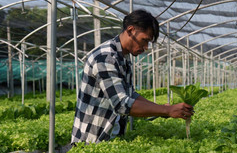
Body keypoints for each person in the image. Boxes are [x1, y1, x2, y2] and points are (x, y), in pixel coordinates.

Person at [71, 9, 194, 144]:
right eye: (144, 40)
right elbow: (121, 104)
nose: (146, 47)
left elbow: (130, 95)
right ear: (130, 30)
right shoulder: (106, 58)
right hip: (92, 140)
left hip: (110, 137)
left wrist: (160, 109)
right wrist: (166, 110)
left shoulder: (123, 56)